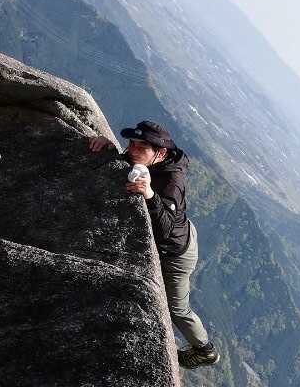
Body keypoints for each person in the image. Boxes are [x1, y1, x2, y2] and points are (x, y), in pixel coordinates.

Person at [87, 120, 219, 369]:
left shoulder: (172, 182)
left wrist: (149, 195)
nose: (133, 150)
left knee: (177, 309)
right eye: (132, 143)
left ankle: (205, 350)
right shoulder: (146, 160)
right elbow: (125, 160)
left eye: (141, 147)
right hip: (180, 231)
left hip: (176, 252)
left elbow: (165, 229)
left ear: (160, 152)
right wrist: (108, 146)